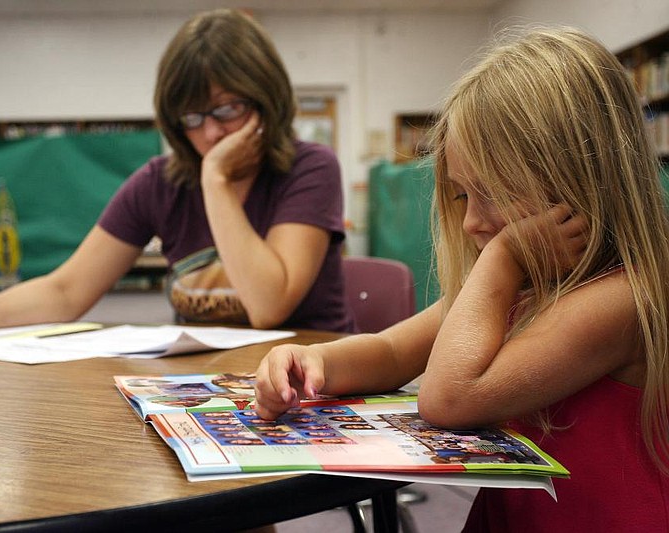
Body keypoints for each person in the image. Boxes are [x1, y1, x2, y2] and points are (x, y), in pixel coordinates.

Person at [254, 26, 669, 531]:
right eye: (461, 196)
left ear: (578, 180)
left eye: (493, 192)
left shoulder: (624, 298)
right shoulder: (518, 289)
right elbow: (390, 353)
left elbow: (451, 399)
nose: (471, 221)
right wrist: (313, 361)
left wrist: (504, 255)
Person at [0, 9, 355, 337]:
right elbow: (66, 290)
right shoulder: (160, 182)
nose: (211, 133)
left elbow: (269, 306)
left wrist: (215, 182)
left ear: (265, 97)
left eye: (227, 109)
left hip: (312, 395)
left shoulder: (309, 168)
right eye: (191, 118)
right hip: (210, 395)